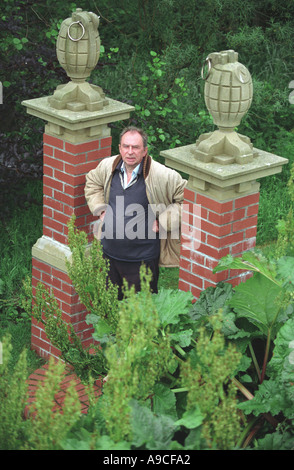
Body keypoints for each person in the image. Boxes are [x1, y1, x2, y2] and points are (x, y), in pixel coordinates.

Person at [84, 126, 187, 299]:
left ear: (145, 151)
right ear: (119, 148)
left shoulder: (163, 175)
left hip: (142, 259)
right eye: (126, 146)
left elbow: (188, 200)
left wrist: (162, 222)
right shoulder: (108, 166)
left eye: (135, 147)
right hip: (109, 253)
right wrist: (101, 209)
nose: (130, 152)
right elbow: (92, 182)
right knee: (112, 306)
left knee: (140, 312)